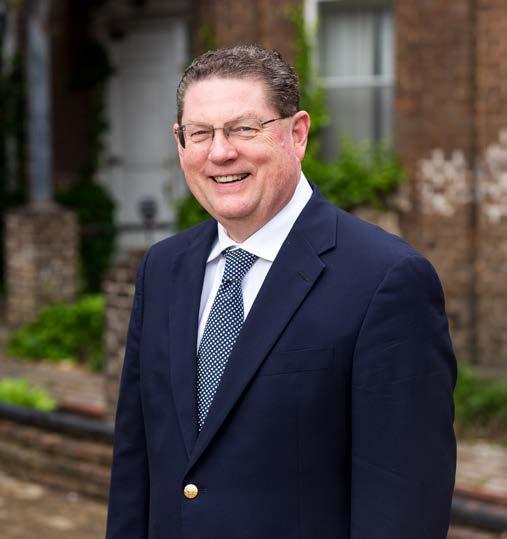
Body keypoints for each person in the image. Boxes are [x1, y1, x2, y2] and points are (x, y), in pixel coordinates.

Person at [106, 45, 456, 539]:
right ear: (180, 142)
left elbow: (403, 503)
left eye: (244, 128)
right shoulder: (163, 269)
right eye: (200, 133)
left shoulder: (387, 280)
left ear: (297, 134)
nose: (220, 152)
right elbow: (135, 463)